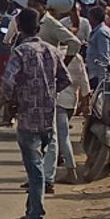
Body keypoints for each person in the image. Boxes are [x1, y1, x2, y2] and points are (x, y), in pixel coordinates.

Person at [1, 8, 70, 219]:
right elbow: (65, 79)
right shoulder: (51, 50)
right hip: (47, 116)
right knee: (36, 166)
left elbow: (7, 83)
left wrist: (13, 101)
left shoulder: (20, 52)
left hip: (28, 116)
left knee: (35, 170)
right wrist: (47, 93)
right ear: (38, 28)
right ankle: (31, 211)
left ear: (19, 28)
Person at [43, 34, 90, 188]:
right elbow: (84, 81)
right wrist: (86, 103)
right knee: (60, 135)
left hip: (58, 100)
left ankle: (71, 170)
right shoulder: (77, 57)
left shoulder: (55, 54)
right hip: (71, 103)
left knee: (61, 136)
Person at [85, 5, 110, 88]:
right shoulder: (97, 31)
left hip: (99, 75)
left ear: (95, 18)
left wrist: (102, 79)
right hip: (94, 73)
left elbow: (104, 57)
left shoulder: (102, 33)